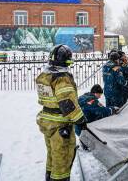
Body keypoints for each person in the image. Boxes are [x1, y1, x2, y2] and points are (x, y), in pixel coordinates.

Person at [36, 44, 86, 181]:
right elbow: (67, 104)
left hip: (47, 121)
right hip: (60, 124)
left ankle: (49, 176)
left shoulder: (45, 75)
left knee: (53, 153)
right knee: (63, 156)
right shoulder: (61, 78)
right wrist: (80, 119)